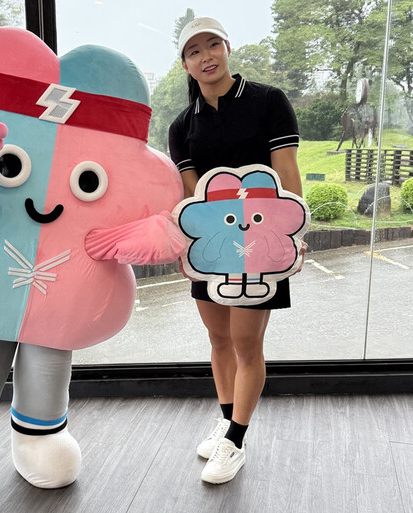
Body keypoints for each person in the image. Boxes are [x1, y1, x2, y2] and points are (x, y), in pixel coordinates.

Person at [168, 16, 307, 485]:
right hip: (213, 247)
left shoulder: (268, 101)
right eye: (194, 51)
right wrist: (188, 250)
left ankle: (236, 442)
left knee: (248, 344)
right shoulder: (182, 125)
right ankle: (227, 423)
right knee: (218, 339)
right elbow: (191, 195)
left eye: (213, 45)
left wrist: (293, 232)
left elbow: (287, 172)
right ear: (185, 64)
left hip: (263, 242)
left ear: (227, 48)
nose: (206, 56)